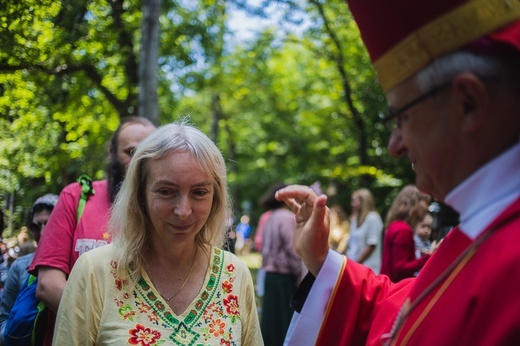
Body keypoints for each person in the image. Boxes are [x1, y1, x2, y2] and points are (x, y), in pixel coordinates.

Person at [276, 2, 520, 345]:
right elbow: (403, 307)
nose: (394, 145)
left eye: (400, 117)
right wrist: (321, 259)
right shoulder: (476, 230)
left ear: (468, 103)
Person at [52, 122, 263, 345]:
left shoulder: (234, 273)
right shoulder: (95, 271)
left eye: (199, 192)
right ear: (140, 195)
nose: (183, 211)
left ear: (216, 197)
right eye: (165, 191)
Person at [28, 116, 156, 345]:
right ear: (111, 151)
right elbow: (48, 285)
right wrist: (111, 332)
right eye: (131, 152)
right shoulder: (75, 197)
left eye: (149, 154)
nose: (139, 162)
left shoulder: (164, 211)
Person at [0, 194, 58, 344]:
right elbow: (4, 317)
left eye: (50, 224)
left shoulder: (76, 263)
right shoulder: (20, 266)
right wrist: (15, 335)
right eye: (36, 227)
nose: (43, 232)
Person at [259, 182, 304, 346]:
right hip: (284, 277)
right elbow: (291, 248)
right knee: (284, 319)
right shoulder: (286, 217)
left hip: (270, 275)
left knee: (270, 319)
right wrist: (299, 272)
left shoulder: (269, 217)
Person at [380, 185, 433, 282]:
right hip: (396, 288)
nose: (427, 208)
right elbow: (400, 268)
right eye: (425, 202)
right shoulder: (403, 230)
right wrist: (429, 257)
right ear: (415, 203)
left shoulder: (395, 225)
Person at [345, 188, 383, 273]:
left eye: (355, 201)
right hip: (353, 266)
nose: (352, 204)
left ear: (364, 202)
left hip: (367, 268)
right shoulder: (355, 220)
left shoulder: (373, 218)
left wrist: (356, 263)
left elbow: (371, 244)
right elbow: (350, 243)